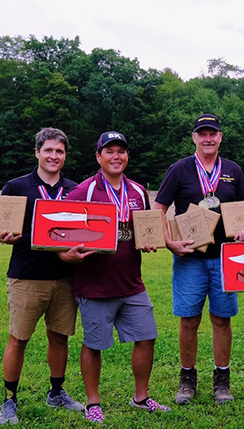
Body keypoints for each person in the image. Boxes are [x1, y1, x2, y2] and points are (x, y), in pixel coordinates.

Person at [58, 131, 170, 423]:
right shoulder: (82, 192)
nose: (116, 156)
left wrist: (151, 239)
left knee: (147, 337)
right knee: (94, 344)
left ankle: (141, 398)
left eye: (121, 151)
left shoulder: (137, 191)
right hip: (94, 284)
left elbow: (146, 228)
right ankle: (92, 402)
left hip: (132, 282)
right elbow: (60, 231)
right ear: (98, 157)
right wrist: (63, 255)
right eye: (109, 151)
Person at [153, 113, 244, 405]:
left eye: (213, 133)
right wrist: (169, 242)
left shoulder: (233, 169)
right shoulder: (179, 170)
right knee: (189, 320)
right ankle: (187, 379)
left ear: (221, 137)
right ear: (194, 137)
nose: (208, 138)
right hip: (190, 258)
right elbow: (159, 208)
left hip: (225, 258)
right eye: (202, 133)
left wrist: (243, 230)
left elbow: (242, 209)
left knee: (222, 319)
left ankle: (222, 380)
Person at [0, 127, 84, 425]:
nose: (54, 156)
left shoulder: (75, 189)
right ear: (37, 152)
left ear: (65, 155)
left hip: (65, 276)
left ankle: (56, 392)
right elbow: (4, 228)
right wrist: (3, 236)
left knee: (59, 338)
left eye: (59, 151)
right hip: (27, 275)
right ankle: (9, 400)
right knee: (18, 339)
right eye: (48, 150)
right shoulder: (16, 187)